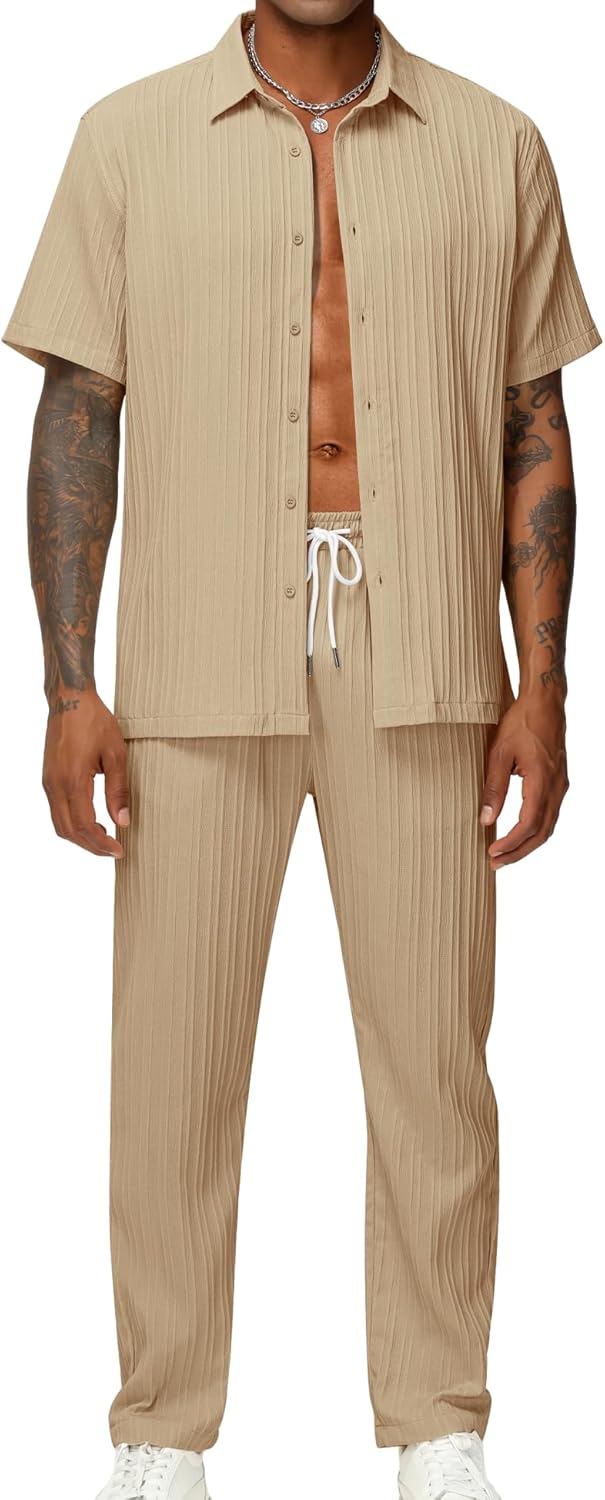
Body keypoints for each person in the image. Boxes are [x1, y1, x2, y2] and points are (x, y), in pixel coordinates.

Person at [3, 3, 600, 1497]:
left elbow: (533, 418)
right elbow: (78, 416)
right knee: (171, 1066)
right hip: (201, 648)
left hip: (427, 653)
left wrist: (543, 685)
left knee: (435, 1063)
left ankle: (438, 1425)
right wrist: (69, 685)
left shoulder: (498, 145)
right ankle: (159, 1435)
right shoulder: (126, 141)